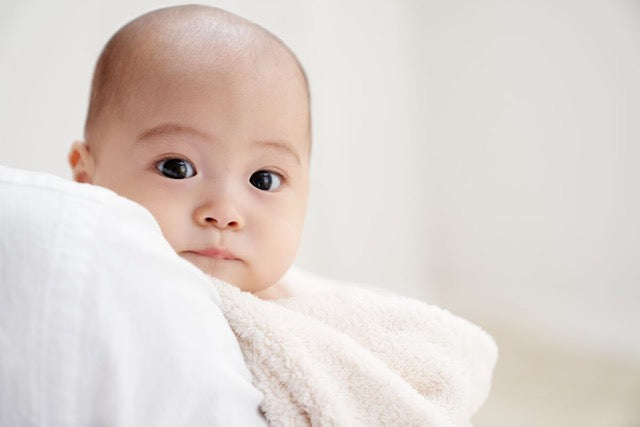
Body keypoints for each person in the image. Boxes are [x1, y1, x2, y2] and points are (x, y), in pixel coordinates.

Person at [69, 5, 497, 425]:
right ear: (86, 178)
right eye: (176, 168)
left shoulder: (316, 323)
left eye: (263, 179)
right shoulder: (82, 298)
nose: (223, 212)